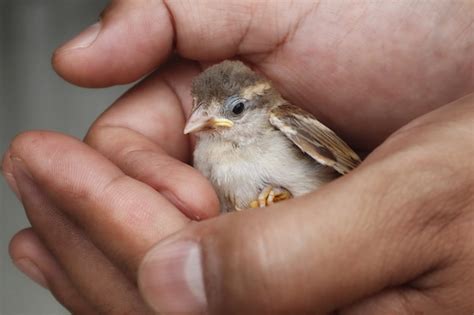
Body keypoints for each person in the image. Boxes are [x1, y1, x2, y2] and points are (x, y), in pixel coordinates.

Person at [2, 1, 473, 314]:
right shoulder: (203, 153)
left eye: (234, 111)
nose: (207, 123)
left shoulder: (285, 122)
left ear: (259, 108)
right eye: (201, 112)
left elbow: (356, 177)